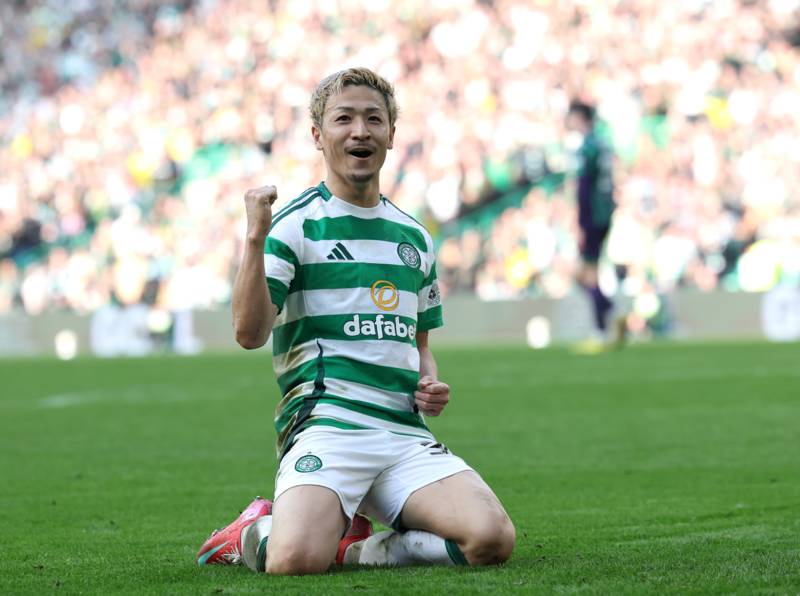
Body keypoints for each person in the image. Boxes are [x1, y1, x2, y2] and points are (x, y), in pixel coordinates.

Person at [196, 67, 515, 575]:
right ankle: (254, 529)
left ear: (391, 133)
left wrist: (428, 381)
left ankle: (351, 549)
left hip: (402, 432)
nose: (360, 131)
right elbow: (249, 334)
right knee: (294, 560)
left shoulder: (413, 237)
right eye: (344, 119)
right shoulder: (294, 226)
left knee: (491, 540)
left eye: (373, 119)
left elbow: (419, 344)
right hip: (328, 427)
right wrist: (255, 239)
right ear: (318, 135)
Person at [565, 100, 621, 346]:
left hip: (593, 216)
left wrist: (581, 221)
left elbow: (585, 186)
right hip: (605, 212)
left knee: (587, 274)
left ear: (580, 118)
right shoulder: (602, 143)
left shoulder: (587, 146)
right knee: (586, 273)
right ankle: (607, 310)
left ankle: (602, 325)